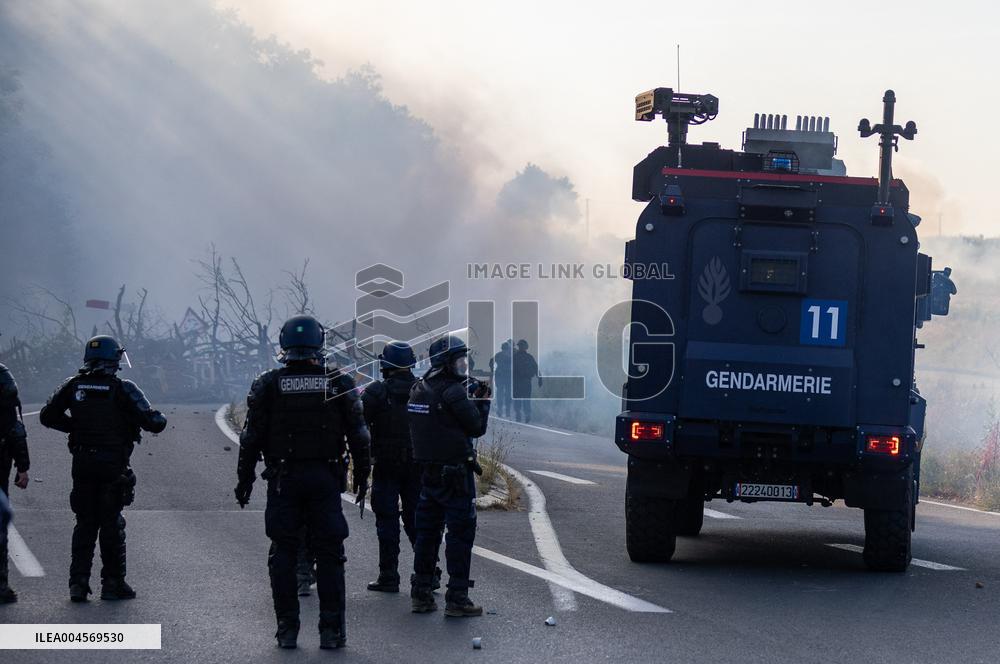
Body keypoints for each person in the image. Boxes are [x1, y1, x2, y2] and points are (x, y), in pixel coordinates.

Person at [234, 315, 371, 650]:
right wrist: (363, 478)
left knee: (283, 552)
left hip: (284, 481)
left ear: (284, 343)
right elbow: (360, 436)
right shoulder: (337, 382)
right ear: (319, 342)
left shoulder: (267, 383)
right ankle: (331, 632)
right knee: (329, 554)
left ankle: (287, 630)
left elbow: (251, 437)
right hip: (325, 480)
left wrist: (245, 480)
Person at [39, 336, 167, 603]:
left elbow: (47, 416)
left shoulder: (73, 385)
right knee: (111, 524)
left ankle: (78, 583)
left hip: (83, 463)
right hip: (112, 466)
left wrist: (76, 428)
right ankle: (113, 583)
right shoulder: (123, 388)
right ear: (114, 360)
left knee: (85, 523)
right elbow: (154, 423)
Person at [407, 334, 490, 617]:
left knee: (427, 535)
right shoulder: (454, 392)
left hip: (428, 475)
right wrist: (484, 400)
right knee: (459, 535)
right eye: (459, 360)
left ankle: (421, 593)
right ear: (446, 362)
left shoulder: (419, 388)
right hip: (455, 475)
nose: (463, 365)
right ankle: (457, 597)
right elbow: (476, 427)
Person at [362, 340, 426, 593]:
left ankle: (389, 575)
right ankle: (428, 574)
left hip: (386, 465)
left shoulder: (376, 391)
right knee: (417, 521)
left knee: (387, 521)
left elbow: (360, 426)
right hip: (417, 466)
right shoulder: (422, 389)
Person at [0, 363, 30, 604]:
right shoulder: (7, 409)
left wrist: (22, 466)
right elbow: (16, 433)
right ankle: (0, 586)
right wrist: (23, 468)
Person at [511, 339, 542, 423]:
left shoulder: (517, 357)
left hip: (523, 382)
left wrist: (540, 378)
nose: (521, 347)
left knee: (523, 399)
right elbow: (536, 368)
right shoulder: (524, 357)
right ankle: (521, 414)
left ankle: (524, 414)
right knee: (522, 399)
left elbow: (536, 368)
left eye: (522, 346)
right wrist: (540, 378)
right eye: (520, 346)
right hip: (521, 382)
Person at [489, 341, 512, 418]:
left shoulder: (498, 355)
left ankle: (501, 410)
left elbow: (491, 362)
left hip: (502, 376)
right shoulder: (510, 356)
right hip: (506, 376)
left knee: (501, 393)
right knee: (506, 394)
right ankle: (506, 411)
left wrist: (492, 370)